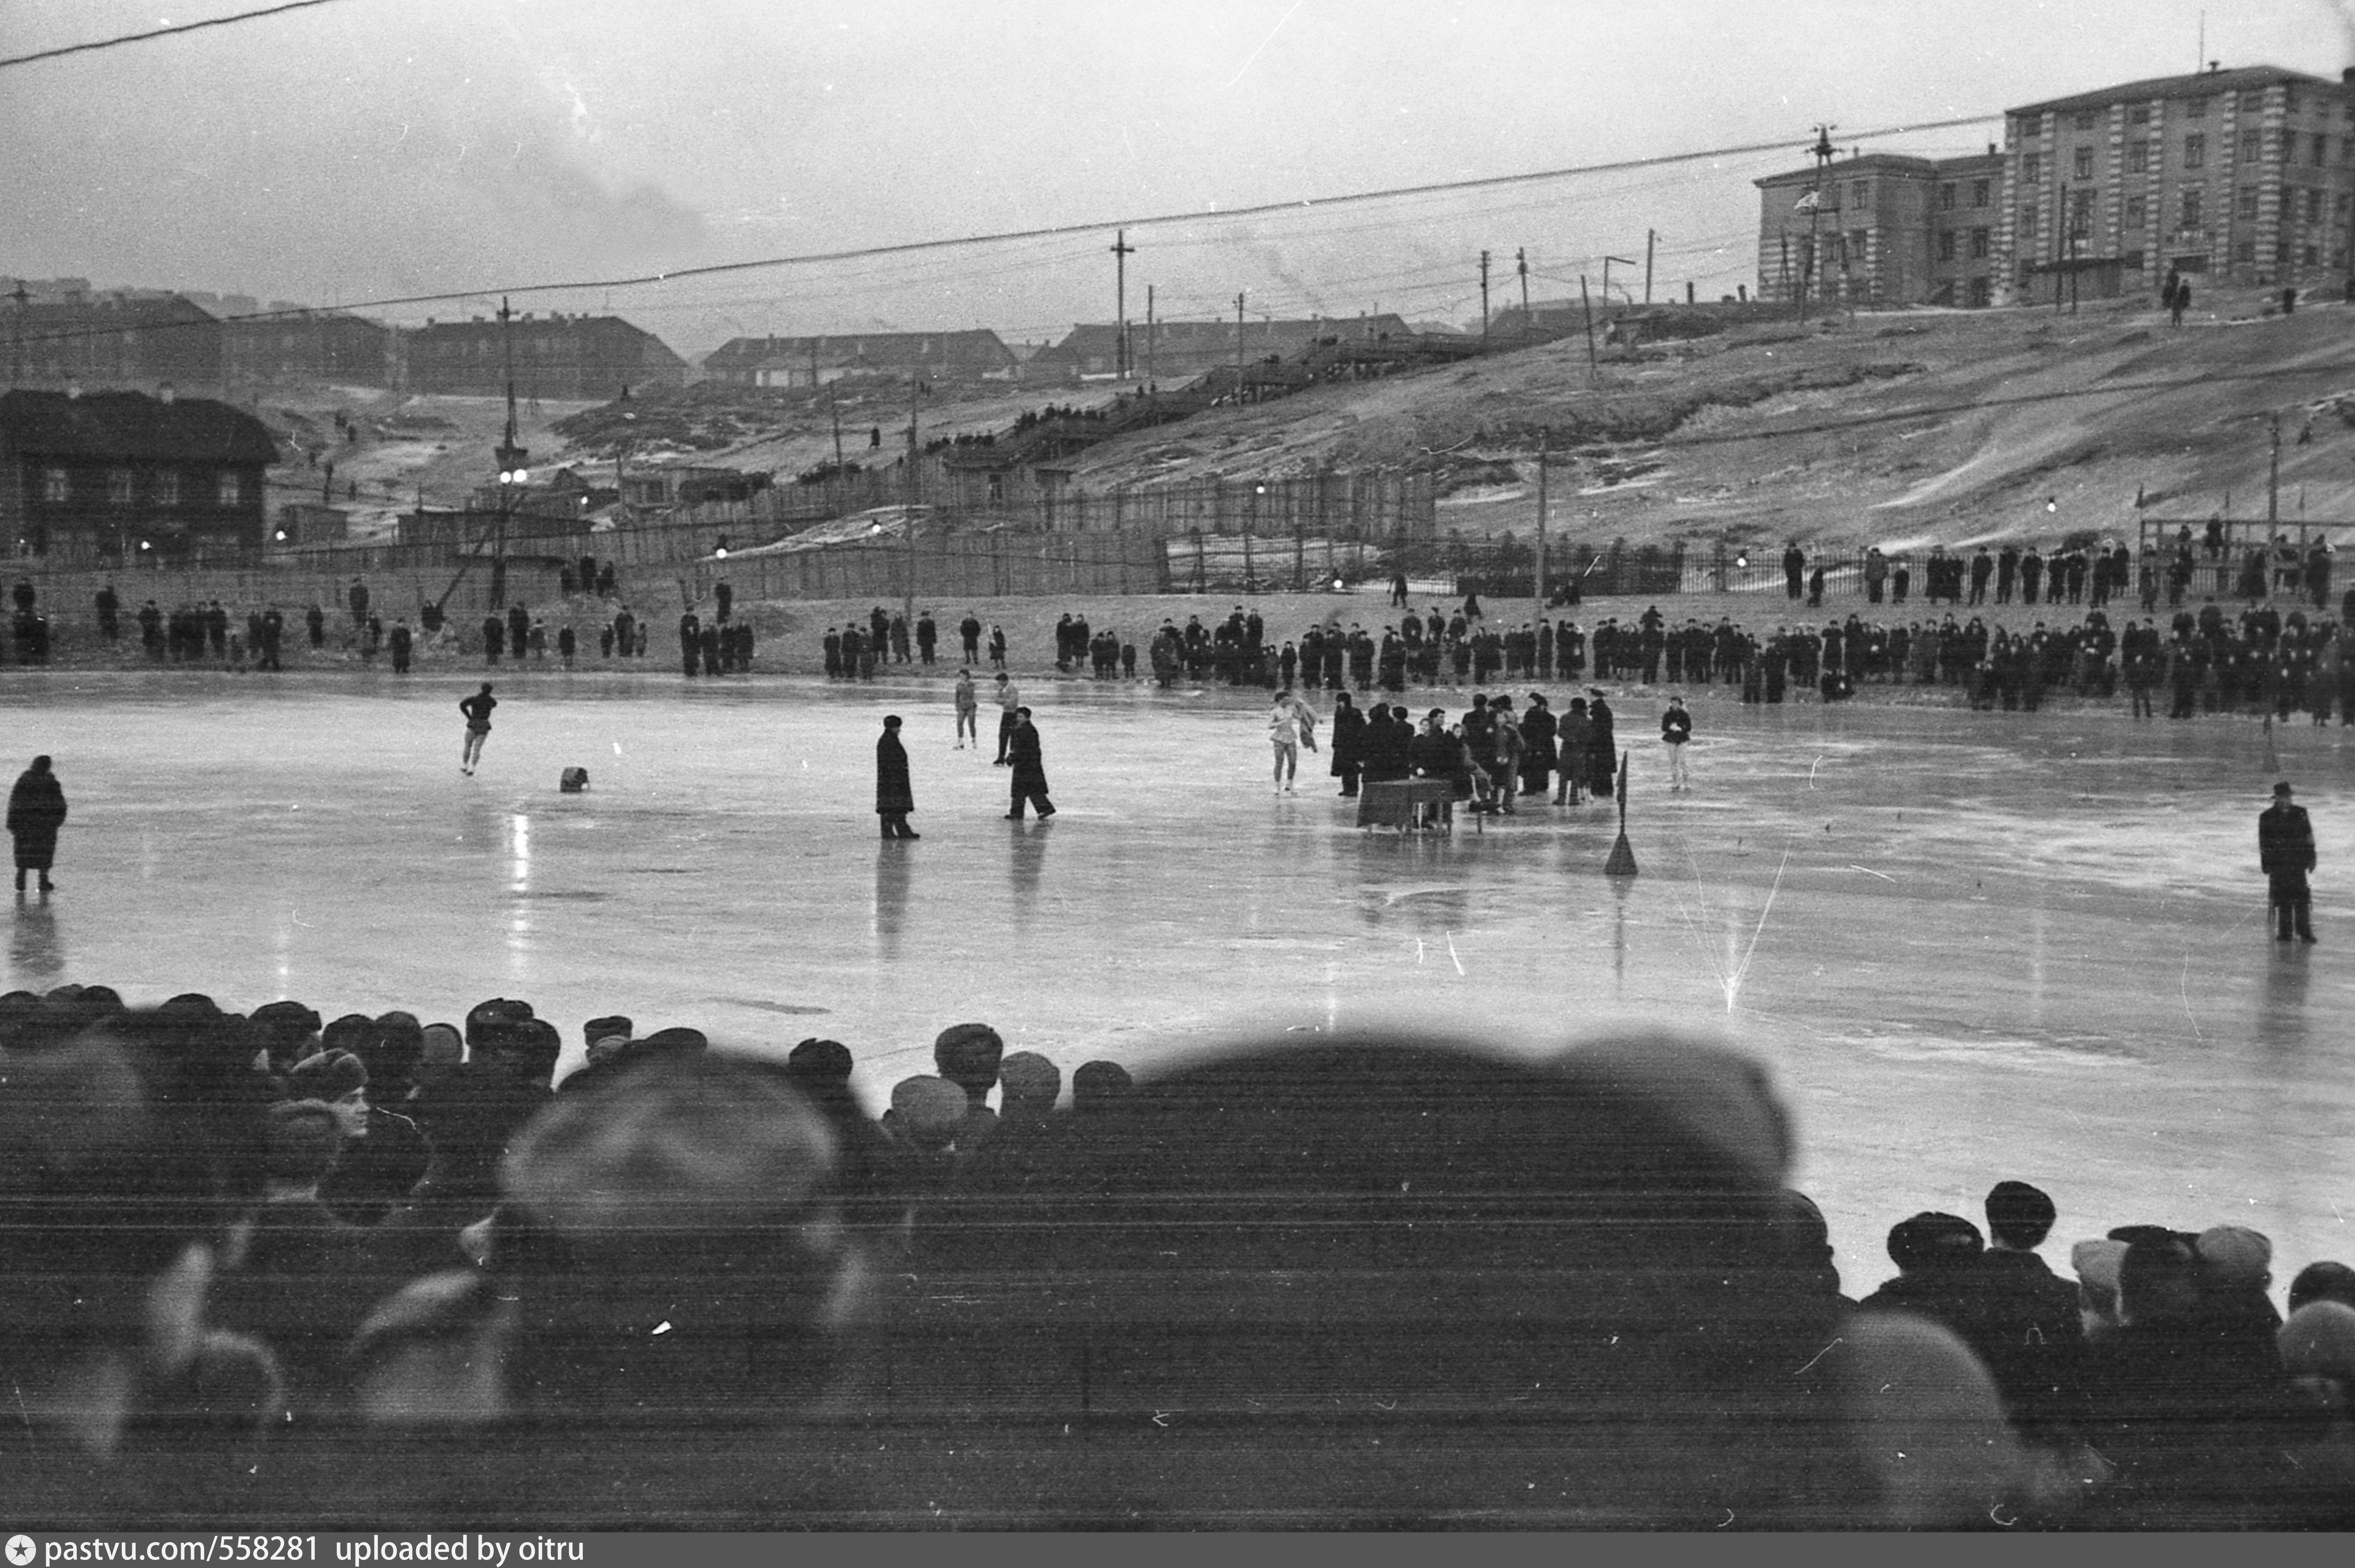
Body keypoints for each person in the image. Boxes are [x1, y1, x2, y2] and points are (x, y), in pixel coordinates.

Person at [2259, 781, 2317, 943]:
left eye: (2289, 797)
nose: (2287, 800)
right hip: (2278, 865)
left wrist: (2312, 858)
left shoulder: (2301, 813)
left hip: (2298, 863)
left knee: (2302, 899)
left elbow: (2309, 837)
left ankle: (2304, 932)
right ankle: (2285, 933)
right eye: (2283, 797)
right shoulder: (2267, 817)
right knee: (2283, 900)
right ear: (2277, 798)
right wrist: (2266, 865)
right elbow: (2264, 843)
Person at [8, 754, 67, 894]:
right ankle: (43, 881)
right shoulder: (51, 783)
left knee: (24, 853)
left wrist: (12, 822)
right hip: (45, 826)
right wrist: (57, 821)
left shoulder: (24, 781)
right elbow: (60, 804)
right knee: (44, 854)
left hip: (25, 825)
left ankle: (21, 879)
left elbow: (15, 802)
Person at [1005, 707, 1055, 821]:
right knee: (1027, 789)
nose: (1019, 719)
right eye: (1018, 716)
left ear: (1027, 718)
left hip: (1028, 764)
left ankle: (1019, 813)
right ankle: (1020, 812)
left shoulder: (1028, 731)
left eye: (1021, 717)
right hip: (1025, 764)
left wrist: (1013, 757)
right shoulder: (1021, 729)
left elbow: (1024, 749)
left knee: (1027, 789)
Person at [876, 715, 919, 840]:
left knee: (893, 806)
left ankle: (899, 830)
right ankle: (893, 831)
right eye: (898, 727)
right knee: (893, 806)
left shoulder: (889, 739)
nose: (900, 730)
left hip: (892, 779)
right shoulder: (889, 741)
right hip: (893, 780)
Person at [1268, 690, 1312, 794]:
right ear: (1280, 700)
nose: (1287, 701)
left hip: (1291, 737)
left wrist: (1302, 708)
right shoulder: (1275, 712)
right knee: (1280, 762)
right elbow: (1270, 725)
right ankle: (1277, 786)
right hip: (1279, 738)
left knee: (1293, 762)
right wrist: (1281, 722)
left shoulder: (1291, 709)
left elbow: (1300, 718)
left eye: (1288, 699)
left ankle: (1289, 784)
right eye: (1285, 700)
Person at [459, 684, 497, 776]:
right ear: (490, 691)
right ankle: (472, 768)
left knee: (468, 746)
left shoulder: (474, 699)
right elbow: (494, 704)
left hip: (473, 724)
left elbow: (462, 705)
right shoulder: (491, 701)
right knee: (477, 748)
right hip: (484, 725)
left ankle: (465, 766)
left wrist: (469, 717)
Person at [1660, 695, 1692, 792]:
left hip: (1682, 739)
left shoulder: (1685, 715)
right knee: (1673, 761)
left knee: (1683, 761)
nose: (1675, 706)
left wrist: (1682, 728)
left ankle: (1686, 782)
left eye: (1677, 704)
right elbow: (1663, 727)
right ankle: (1676, 782)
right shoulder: (1668, 715)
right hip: (1671, 739)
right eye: (1673, 703)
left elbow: (1689, 728)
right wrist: (1671, 728)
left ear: (1680, 704)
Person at [993, 672, 1022, 764]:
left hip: (1013, 714)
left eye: (1000, 682)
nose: (999, 684)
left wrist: (1003, 702)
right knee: (1003, 736)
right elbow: (996, 700)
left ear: (1005, 681)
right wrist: (1005, 701)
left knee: (1013, 736)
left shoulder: (1012, 689)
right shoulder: (1002, 689)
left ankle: (1012, 756)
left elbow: (1012, 703)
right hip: (1006, 713)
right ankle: (1001, 757)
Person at [953, 668, 979, 749]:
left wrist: (965, 685)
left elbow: (970, 693)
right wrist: (957, 705)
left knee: (971, 723)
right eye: (961, 676)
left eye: (964, 676)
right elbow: (957, 696)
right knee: (960, 723)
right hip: (962, 706)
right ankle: (960, 740)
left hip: (970, 706)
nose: (962, 677)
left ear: (967, 676)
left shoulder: (971, 684)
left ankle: (974, 740)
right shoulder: (959, 685)